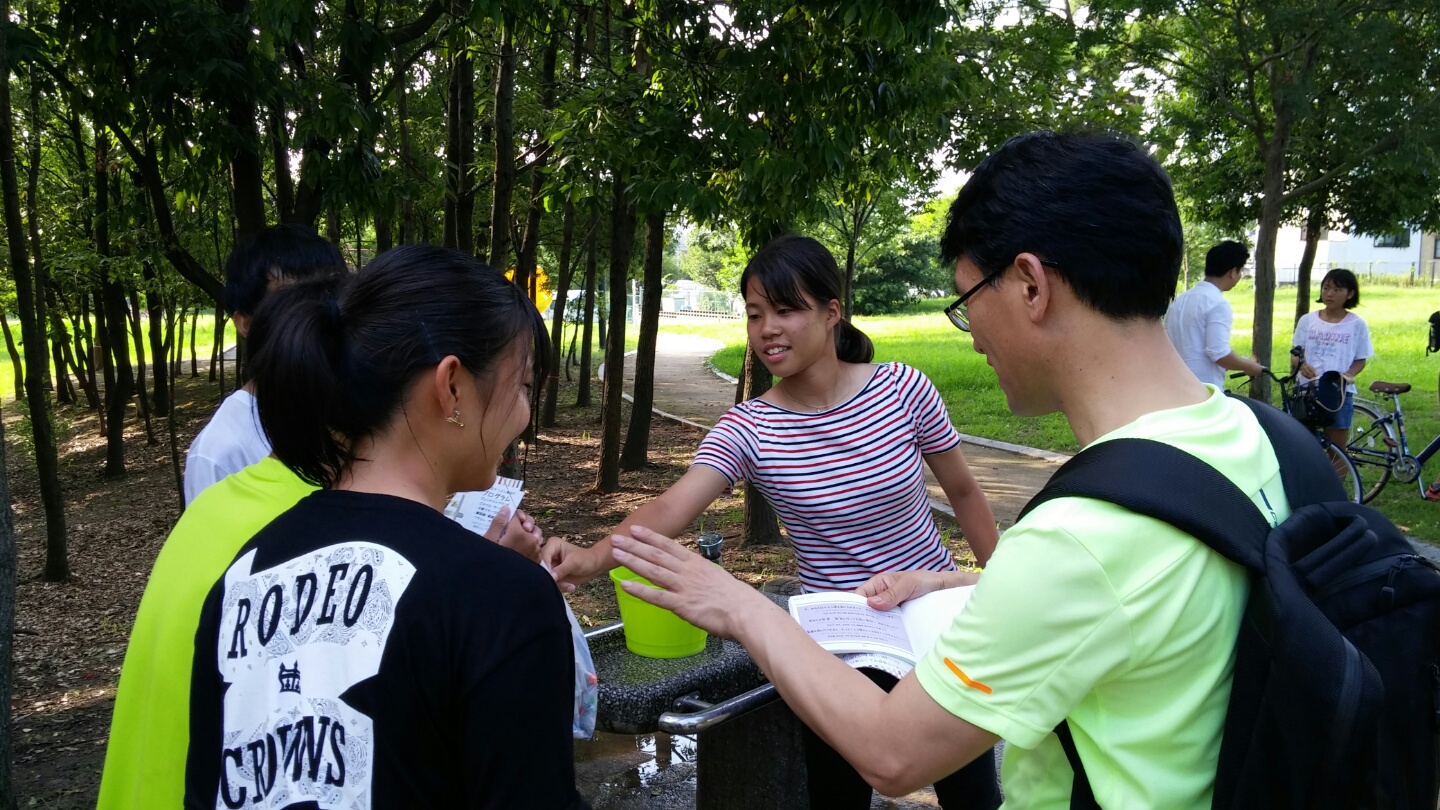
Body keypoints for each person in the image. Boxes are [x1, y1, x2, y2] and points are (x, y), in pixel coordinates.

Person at [599, 131, 1295, 808]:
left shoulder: (1078, 540)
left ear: (1028, 285)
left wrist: (741, 605)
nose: (975, 333)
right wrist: (963, 580)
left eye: (967, 303)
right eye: (756, 314)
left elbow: (895, 757)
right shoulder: (1266, 440)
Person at [544, 234, 1001, 809]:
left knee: (971, 792)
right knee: (836, 795)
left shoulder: (904, 389)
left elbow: (963, 491)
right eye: (756, 314)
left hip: (935, 622)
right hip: (835, 644)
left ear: (832, 313)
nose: (767, 330)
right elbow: (670, 508)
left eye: (787, 310)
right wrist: (589, 559)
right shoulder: (749, 427)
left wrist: (1000, 584)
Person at [97, 274, 546, 809]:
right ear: (451, 386)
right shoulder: (503, 597)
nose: (524, 413)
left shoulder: (239, 579)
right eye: (521, 386)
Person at [183, 224, 346, 505]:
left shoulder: (358, 408)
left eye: (327, 295)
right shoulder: (220, 452)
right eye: (292, 302)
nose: (314, 314)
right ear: (245, 323)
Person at [1292, 268, 1372, 456]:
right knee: (1303, 446)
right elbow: (1295, 353)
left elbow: (1361, 359)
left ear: (1350, 294)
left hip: (1339, 394)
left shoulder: (1356, 325)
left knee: (1337, 451)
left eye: (1337, 290)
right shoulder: (1307, 320)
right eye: (1326, 288)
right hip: (1307, 391)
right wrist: (1301, 365)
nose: (1329, 294)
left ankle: (1337, 485)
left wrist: (1348, 375)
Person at [1165, 240, 1265, 384]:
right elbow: (1219, 354)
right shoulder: (1218, 303)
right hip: (1204, 391)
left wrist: (1241, 361)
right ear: (1233, 272)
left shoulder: (1180, 300)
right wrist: (1249, 367)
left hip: (1174, 386)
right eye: (1240, 271)